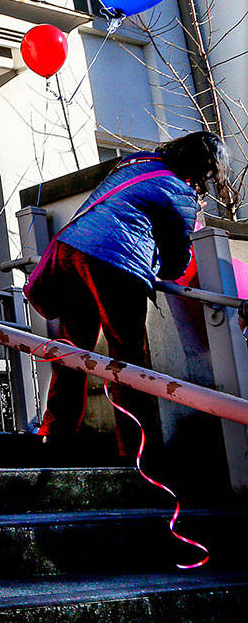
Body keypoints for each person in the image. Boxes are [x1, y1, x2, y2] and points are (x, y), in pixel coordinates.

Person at [35, 130, 227, 458]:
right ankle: (137, 453)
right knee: (127, 359)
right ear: (204, 169)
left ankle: (56, 434)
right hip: (115, 263)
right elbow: (174, 267)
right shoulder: (180, 193)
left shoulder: (132, 164)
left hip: (71, 251)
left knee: (72, 351)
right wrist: (194, 211)